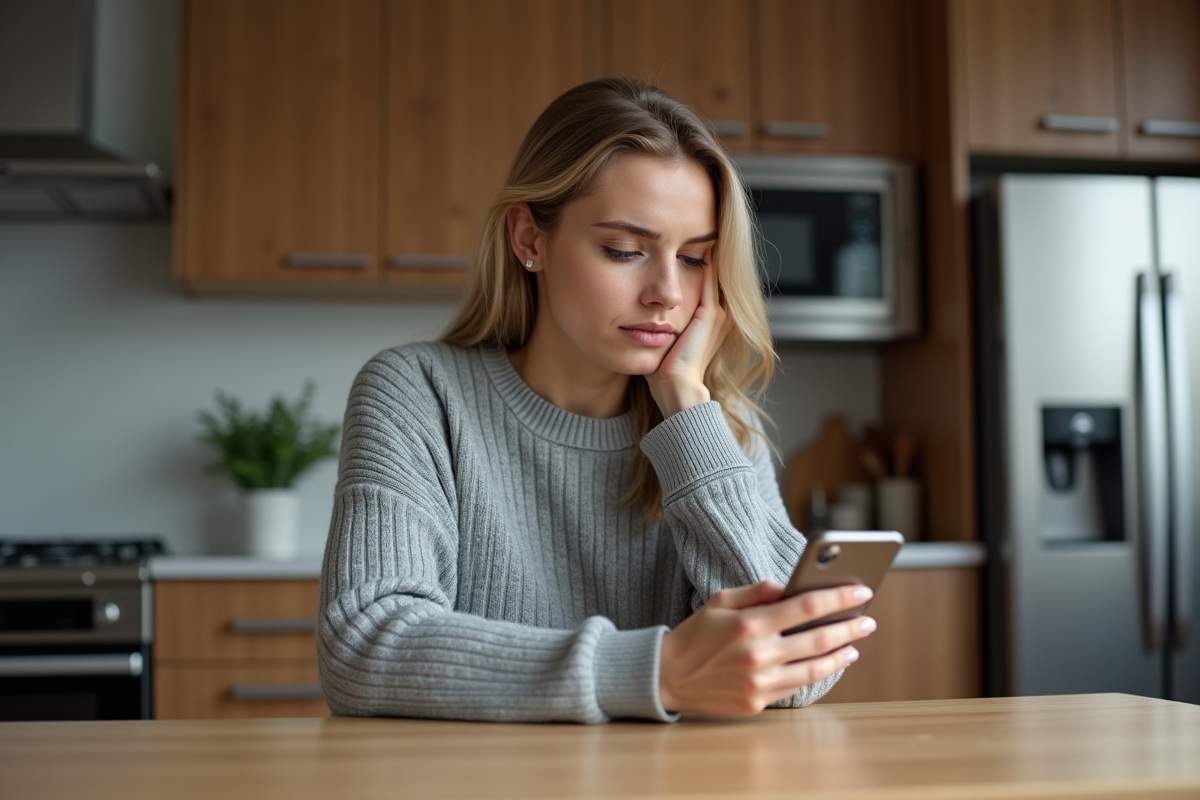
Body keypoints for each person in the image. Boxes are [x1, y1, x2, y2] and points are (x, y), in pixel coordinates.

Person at [316, 77, 876, 723]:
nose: (667, 292)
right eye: (625, 251)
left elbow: (792, 673)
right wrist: (654, 673)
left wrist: (689, 416)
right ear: (529, 239)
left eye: (694, 260)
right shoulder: (418, 393)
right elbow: (362, 648)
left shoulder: (712, 423)